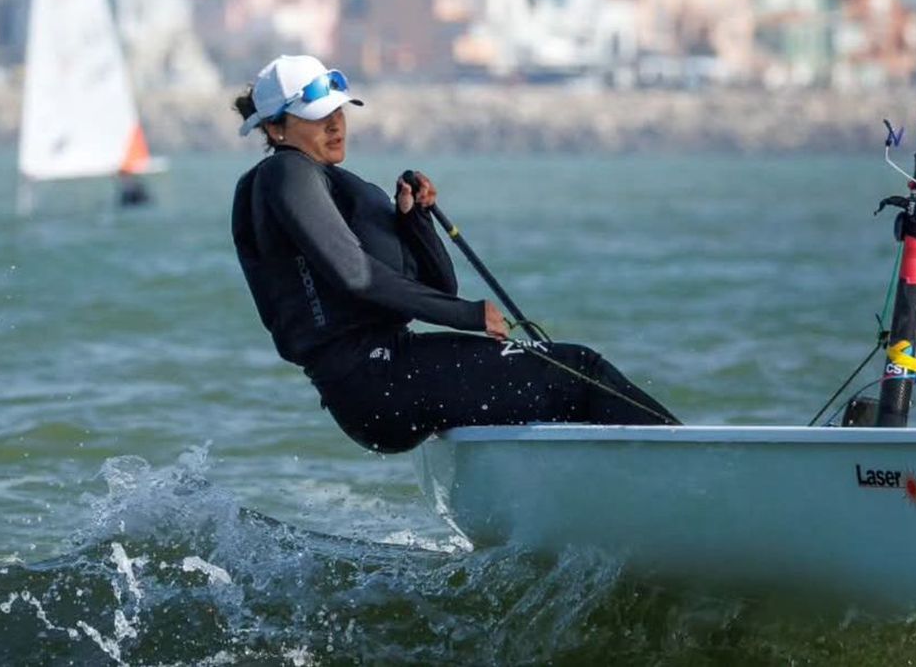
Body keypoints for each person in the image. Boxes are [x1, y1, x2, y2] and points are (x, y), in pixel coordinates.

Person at [230, 55, 679, 454]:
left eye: (339, 110)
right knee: (580, 370)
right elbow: (355, 276)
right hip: (373, 380)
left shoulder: (326, 184)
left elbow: (438, 285)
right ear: (275, 127)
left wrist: (415, 221)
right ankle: (696, 463)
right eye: (317, 114)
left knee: (560, 385)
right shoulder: (284, 173)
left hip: (385, 375)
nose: (335, 124)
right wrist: (465, 315)